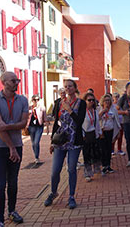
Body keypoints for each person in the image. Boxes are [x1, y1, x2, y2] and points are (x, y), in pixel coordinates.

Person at [0, 72, 29, 226]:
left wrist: (8, 126)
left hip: (17, 145)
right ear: (4, 82)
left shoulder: (23, 100)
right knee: (0, 184)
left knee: (13, 182)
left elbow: (23, 124)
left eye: (17, 80)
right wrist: (11, 147)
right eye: (13, 80)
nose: (16, 82)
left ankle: (12, 211)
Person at [44, 79, 86, 209]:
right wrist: (52, 141)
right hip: (60, 140)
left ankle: (71, 196)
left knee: (71, 169)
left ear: (75, 88)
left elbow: (79, 121)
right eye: (65, 87)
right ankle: (53, 192)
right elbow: (56, 122)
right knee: (55, 170)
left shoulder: (81, 103)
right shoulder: (59, 103)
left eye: (70, 86)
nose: (67, 89)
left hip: (74, 141)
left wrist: (70, 110)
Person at [81, 92, 102, 182]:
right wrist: (82, 135)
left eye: (93, 100)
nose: (91, 102)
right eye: (89, 100)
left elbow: (97, 123)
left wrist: (99, 132)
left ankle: (97, 169)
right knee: (87, 154)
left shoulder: (95, 111)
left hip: (94, 133)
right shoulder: (82, 112)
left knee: (96, 152)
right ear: (85, 101)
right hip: (86, 134)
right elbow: (80, 124)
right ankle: (88, 173)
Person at [99, 94, 121, 175]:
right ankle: (103, 165)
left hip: (110, 131)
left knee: (109, 149)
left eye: (108, 100)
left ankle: (108, 165)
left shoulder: (113, 109)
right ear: (103, 101)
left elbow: (117, 121)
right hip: (102, 132)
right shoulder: (99, 108)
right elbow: (97, 119)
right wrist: (103, 111)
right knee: (102, 149)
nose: (107, 102)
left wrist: (118, 132)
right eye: (105, 100)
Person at [26, 94, 47, 164]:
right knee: (33, 143)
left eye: (38, 99)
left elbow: (45, 117)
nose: (36, 101)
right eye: (35, 100)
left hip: (39, 127)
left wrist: (47, 127)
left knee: (36, 142)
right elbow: (25, 117)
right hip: (31, 127)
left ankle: (37, 157)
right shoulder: (29, 108)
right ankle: (36, 156)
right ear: (32, 100)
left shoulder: (41, 108)